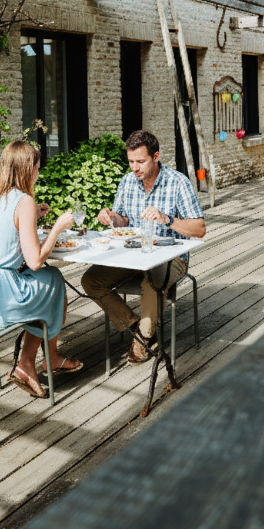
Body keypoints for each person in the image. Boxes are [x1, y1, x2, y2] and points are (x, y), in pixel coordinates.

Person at [0, 140, 82, 399]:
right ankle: (37, 361)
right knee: (52, 278)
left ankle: (42, 360)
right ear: (27, 170)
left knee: (45, 282)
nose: (39, 173)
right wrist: (57, 227)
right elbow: (35, 261)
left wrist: (30, 216)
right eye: (37, 168)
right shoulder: (23, 199)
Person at [82, 129, 205, 364]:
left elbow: (199, 229)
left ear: (156, 157)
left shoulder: (178, 182)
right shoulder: (128, 181)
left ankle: (143, 338)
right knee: (91, 280)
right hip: (132, 255)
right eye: (131, 162)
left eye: (140, 161)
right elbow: (123, 221)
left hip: (171, 258)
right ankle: (137, 326)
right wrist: (111, 218)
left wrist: (167, 219)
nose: (134, 168)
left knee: (153, 279)